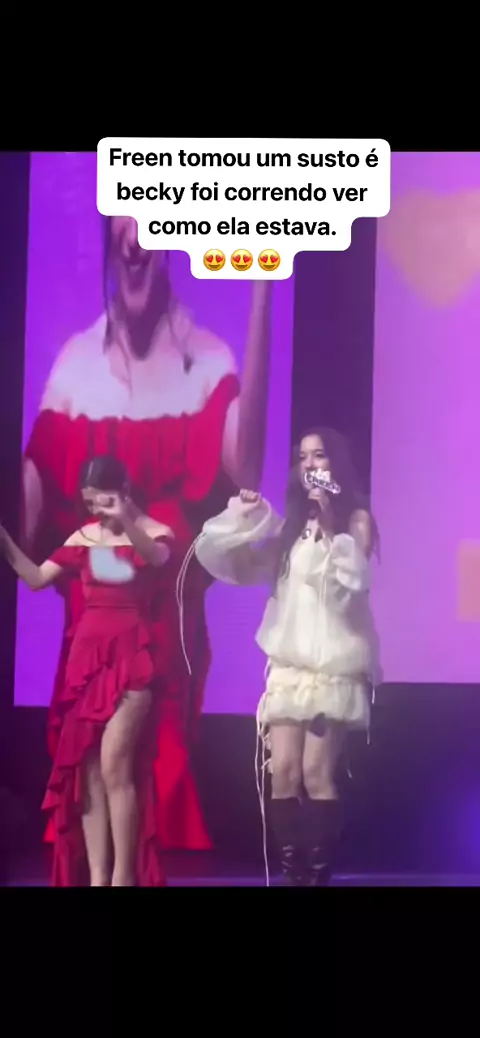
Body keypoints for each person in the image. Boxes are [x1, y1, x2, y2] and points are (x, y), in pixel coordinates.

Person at [22, 216, 272, 850]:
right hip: (89, 634)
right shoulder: (76, 366)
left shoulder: (207, 359)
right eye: (122, 227)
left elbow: (245, 467)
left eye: (147, 228)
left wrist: (264, 290)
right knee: (93, 767)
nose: (134, 242)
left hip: (158, 628)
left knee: (131, 768)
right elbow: (30, 508)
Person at [194, 427, 379, 886]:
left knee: (316, 773)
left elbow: (353, 584)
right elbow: (244, 567)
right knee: (283, 772)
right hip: (289, 667)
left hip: (332, 668)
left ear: (336, 464)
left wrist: (331, 523)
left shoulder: (356, 520)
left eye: (319, 456)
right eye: (303, 457)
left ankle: (317, 877)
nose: (310, 464)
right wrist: (246, 519)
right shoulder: (291, 529)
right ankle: (292, 874)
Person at [2, 454, 174, 886]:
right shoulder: (83, 536)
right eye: (90, 502)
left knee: (116, 762)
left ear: (124, 491)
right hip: (87, 660)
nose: (95, 509)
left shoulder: (153, 532)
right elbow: (37, 578)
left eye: (102, 500)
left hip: (133, 658)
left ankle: (123, 875)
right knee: (90, 770)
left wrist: (126, 518)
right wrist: (4, 541)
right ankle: (98, 876)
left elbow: (157, 559)